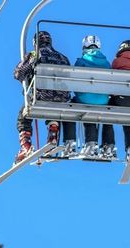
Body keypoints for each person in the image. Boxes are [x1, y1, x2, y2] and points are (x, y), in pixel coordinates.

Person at [14, 30, 76, 163]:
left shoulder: (35, 55)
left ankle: (26, 146)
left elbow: (18, 73)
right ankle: (53, 133)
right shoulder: (63, 58)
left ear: (36, 42)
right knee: (53, 107)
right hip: (61, 98)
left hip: (40, 96)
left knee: (23, 117)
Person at [100, 40, 130, 160]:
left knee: (107, 112)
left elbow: (113, 81)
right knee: (128, 118)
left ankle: (108, 144)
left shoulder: (117, 62)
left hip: (122, 99)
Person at [73, 35, 111, 158]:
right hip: (103, 100)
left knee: (85, 108)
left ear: (84, 46)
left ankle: (90, 144)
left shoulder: (81, 61)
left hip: (86, 98)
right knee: (105, 113)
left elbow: (74, 81)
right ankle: (108, 145)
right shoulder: (106, 63)